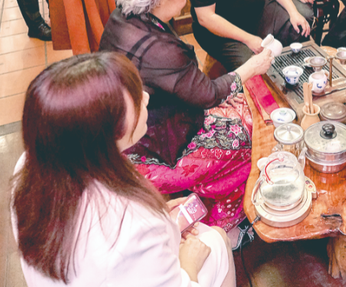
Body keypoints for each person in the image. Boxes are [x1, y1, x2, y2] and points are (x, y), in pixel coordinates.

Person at [99, 0, 272, 243]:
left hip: (135, 130)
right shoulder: (160, 51)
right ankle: (224, 227)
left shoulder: (121, 16)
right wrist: (251, 68)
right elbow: (207, 94)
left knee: (246, 110)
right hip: (156, 147)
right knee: (251, 137)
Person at [12, 53, 237, 287]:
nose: (146, 98)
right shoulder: (131, 226)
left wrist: (160, 216)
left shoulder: (31, 166)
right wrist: (188, 262)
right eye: (135, 98)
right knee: (217, 239)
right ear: (105, 130)